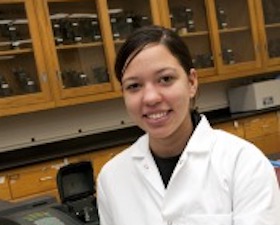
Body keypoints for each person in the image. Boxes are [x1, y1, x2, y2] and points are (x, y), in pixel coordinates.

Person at [96, 25, 280, 225]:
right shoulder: (112, 178)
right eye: (134, 86)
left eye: (165, 79)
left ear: (191, 83)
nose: (150, 98)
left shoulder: (243, 164)